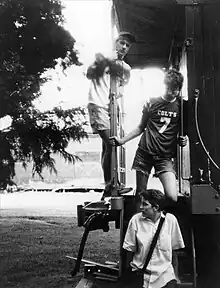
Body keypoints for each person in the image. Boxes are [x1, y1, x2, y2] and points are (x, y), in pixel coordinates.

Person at [109, 69, 187, 207]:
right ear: (164, 85)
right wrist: (122, 141)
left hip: (164, 156)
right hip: (144, 153)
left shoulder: (181, 106)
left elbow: (185, 130)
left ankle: (155, 212)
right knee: (140, 193)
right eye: (168, 88)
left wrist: (184, 140)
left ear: (179, 89)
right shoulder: (152, 102)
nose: (170, 92)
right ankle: (140, 223)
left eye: (174, 89)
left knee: (172, 196)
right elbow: (140, 127)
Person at [86, 31, 136, 188]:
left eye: (127, 45)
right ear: (116, 43)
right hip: (97, 104)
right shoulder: (103, 59)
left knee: (107, 146)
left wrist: (120, 88)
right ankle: (111, 184)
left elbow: (121, 89)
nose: (124, 47)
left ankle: (111, 184)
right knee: (111, 144)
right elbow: (89, 74)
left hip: (111, 109)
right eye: (122, 43)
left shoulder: (125, 68)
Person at [123, 189, 185, 288]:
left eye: (145, 204)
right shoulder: (135, 220)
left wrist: (176, 275)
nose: (141, 207)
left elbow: (173, 251)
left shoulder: (171, 220)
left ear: (156, 207)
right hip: (141, 274)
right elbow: (129, 250)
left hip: (165, 276)